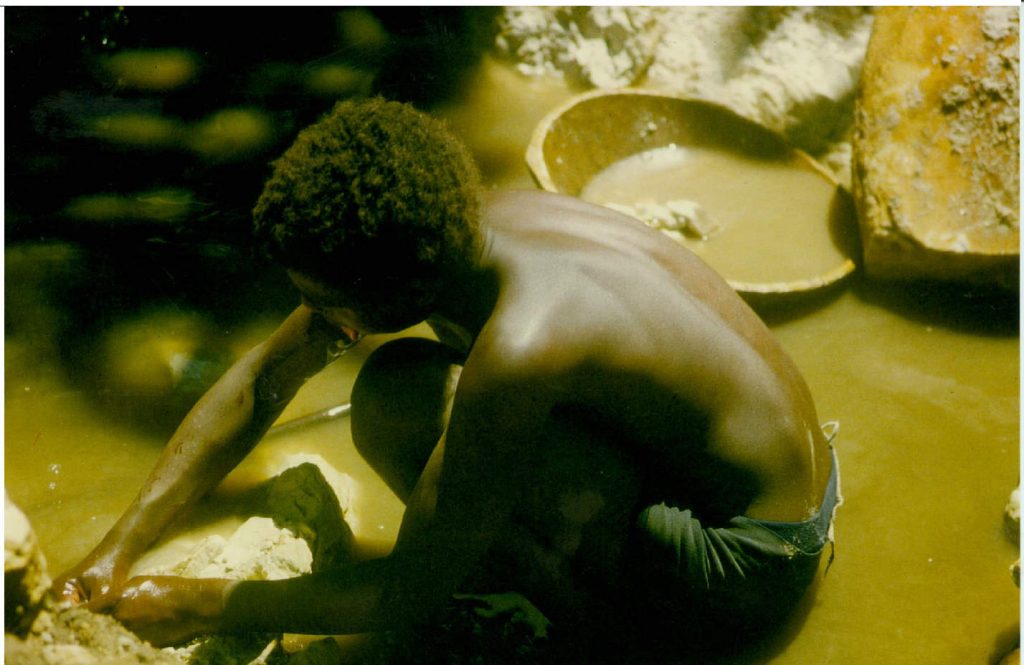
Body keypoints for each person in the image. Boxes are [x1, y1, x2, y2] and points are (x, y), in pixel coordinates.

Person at [54, 98, 841, 658]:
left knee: (432, 425)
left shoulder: (528, 341)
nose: (312, 316)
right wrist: (116, 549)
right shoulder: (461, 226)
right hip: (769, 484)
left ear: (398, 286)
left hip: (751, 565)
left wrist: (204, 602)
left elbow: (405, 593)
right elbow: (265, 379)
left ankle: (585, 635)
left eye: (326, 302)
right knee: (400, 391)